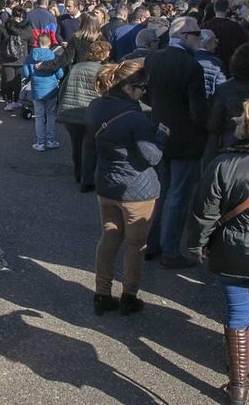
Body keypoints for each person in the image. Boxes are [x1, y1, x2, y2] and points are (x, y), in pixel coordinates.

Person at [186, 98, 249, 405]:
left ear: (247, 125)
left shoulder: (223, 163)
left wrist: (196, 245)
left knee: (238, 311)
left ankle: (238, 385)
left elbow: (204, 212)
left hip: (231, 250)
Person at [85, 60, 162, 317]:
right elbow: (151, 156)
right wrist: (161, 136)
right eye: (141, 88)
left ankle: (101, 293)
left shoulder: (96, 106)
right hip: (137, 188)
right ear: (128, 87)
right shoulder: (135, 117)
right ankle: (129, 295)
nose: (144, 92)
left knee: (109, 238)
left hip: (107, 185)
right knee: (135, 244)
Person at [144, 15, 208, 267]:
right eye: (197, 34)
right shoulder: (191, 66)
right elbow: (198, 111)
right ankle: (170, 251)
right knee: (179, 196)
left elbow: (148, 94)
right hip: (186, 139)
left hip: (160, 132)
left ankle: (150, 243)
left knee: (160, 191)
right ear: (183, 36)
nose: (200, 39)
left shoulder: (154, 58)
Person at [58, 40, 111, 185]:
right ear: (104, 54)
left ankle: (78, 173)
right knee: (90, 147)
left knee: (76, 145)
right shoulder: (103, 71)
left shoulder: (76, 67)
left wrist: (61, 106)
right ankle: (87, 179)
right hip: (92, 114)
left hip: (72, 114)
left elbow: (63, 89)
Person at [23, 33, 64, 152]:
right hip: (51, 89)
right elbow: (60, 74)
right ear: (49, 43)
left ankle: (40, 143)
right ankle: (51, 141)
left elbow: (26, 74)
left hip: (36, 89)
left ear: (37, 42)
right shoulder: (54, 56)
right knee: (51, 114)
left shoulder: (30, 56)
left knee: (39, 116)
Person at [0, 6, 33, 112]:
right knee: (17, 82)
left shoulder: (4, 26)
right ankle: (15, 101)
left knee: (9, 81)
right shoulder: (27, 28)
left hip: (7, 59)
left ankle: (9, 101)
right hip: (22, 59)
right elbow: (31, 43)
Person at [201, 0, 249, 68]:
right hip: (231, 65)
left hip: (210, 66)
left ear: (214, 9)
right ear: (227, 10)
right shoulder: (236, 27)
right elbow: (245, 44)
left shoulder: (205, 26)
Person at [195, 30, 226, 98]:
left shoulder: (188, 58)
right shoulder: (216, 63)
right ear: (208, 43)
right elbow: (222, 88)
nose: (216, 45)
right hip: (210, 101)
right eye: (215, 41)